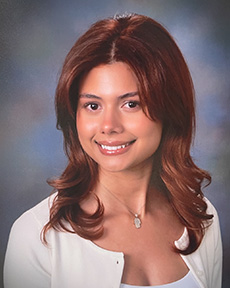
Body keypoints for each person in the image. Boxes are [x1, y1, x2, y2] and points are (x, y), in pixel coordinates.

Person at [4, 13, 222, 288]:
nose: (108, 126)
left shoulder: (201, 219)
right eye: (93, 106)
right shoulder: (36, 237)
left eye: (131, 104)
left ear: (170, 108)